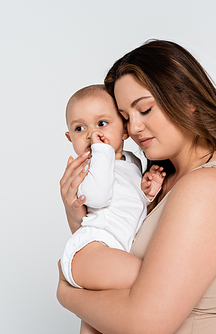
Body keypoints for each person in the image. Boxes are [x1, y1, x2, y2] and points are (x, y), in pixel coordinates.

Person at [57, 40, 216, 334]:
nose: (133, 128)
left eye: (145, 110)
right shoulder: (163, 178)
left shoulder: (209, 188)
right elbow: (117, 248)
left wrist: (66, 291)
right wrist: (77, 216)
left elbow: (145, 324)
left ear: (188, 100)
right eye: (125, 118)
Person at [61, 85, 165, 333]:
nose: (92, 134)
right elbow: (96, 197)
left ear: (125, 130)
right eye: (80, 128)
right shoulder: (87, 165)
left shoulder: (132, 161)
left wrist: (148, 190)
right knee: (151, 279)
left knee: (100, 324)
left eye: (102, 123)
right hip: (92, 250)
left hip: (116, 251)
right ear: (69, 138)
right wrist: (103, 151)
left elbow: (131, 206)